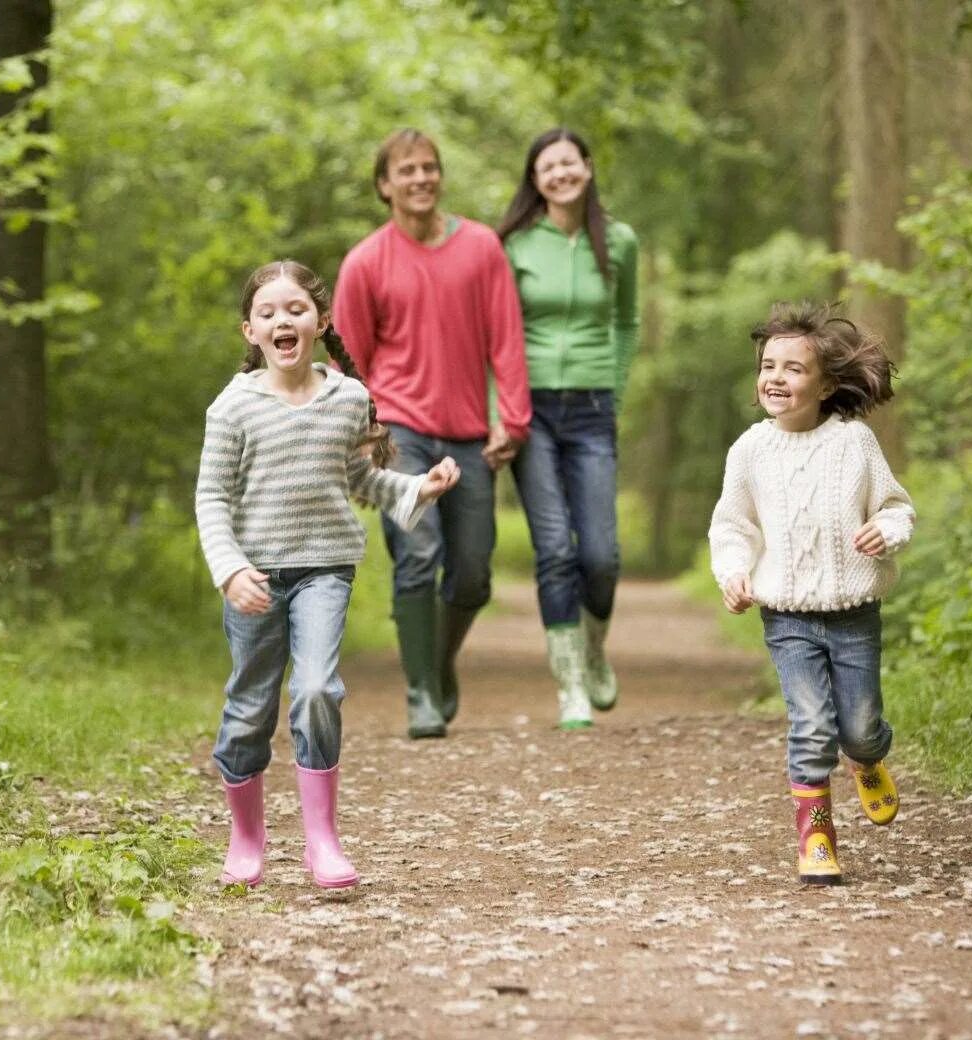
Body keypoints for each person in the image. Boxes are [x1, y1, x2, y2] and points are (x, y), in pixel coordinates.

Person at [196, 260, 460, 889]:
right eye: (268, 313)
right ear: (249, 331)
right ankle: (247, 837)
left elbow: (358, 478)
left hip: (325, 569)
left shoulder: (348, 397)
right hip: (254, 576)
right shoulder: (232, 408)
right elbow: (211, 497)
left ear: (317, 321)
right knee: (249, 710)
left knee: (316, 689)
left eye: (295, 309)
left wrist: (418, 488)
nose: (282, 320)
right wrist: (230, 570)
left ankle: (321, 840)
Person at [332, 128, 531, 740]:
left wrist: (513, 418)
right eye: (406, 170)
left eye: (429, 168)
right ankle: (420, 693)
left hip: (470, 433)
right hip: (400, 433)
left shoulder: (481, 248)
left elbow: (506, 337)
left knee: (472, 572)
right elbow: (347, 360)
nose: (420, 178)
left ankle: (436, 664)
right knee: (418, 556)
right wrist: (363, 434)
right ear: (384, 185)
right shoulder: (366, 262)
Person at [708, 301, 914, 885]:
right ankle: (815, 833)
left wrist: (888, 531)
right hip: (787, 615)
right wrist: (734, 572)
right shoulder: (750, 451)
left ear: (826, 385)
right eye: (768, 365)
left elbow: (896, 506)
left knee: (859, 727)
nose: (775, 377)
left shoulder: (854, 444)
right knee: (811, 724)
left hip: (854, 614)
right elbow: (733, 525)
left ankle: (869, 759)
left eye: (793, 368)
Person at [497, 128, 640, 731]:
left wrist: (614, 385)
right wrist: (500, 412)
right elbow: (498, 333)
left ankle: (594, 647)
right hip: (530, 410)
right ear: (535, 180)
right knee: (555, 549)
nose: (560, 173)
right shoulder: (515, 245)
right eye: (547, 166)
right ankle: (571, 686)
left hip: (591, 408)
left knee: (601, 555)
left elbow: (626, 321)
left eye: (569, 162)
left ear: (587, 167)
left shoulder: (621, 241)